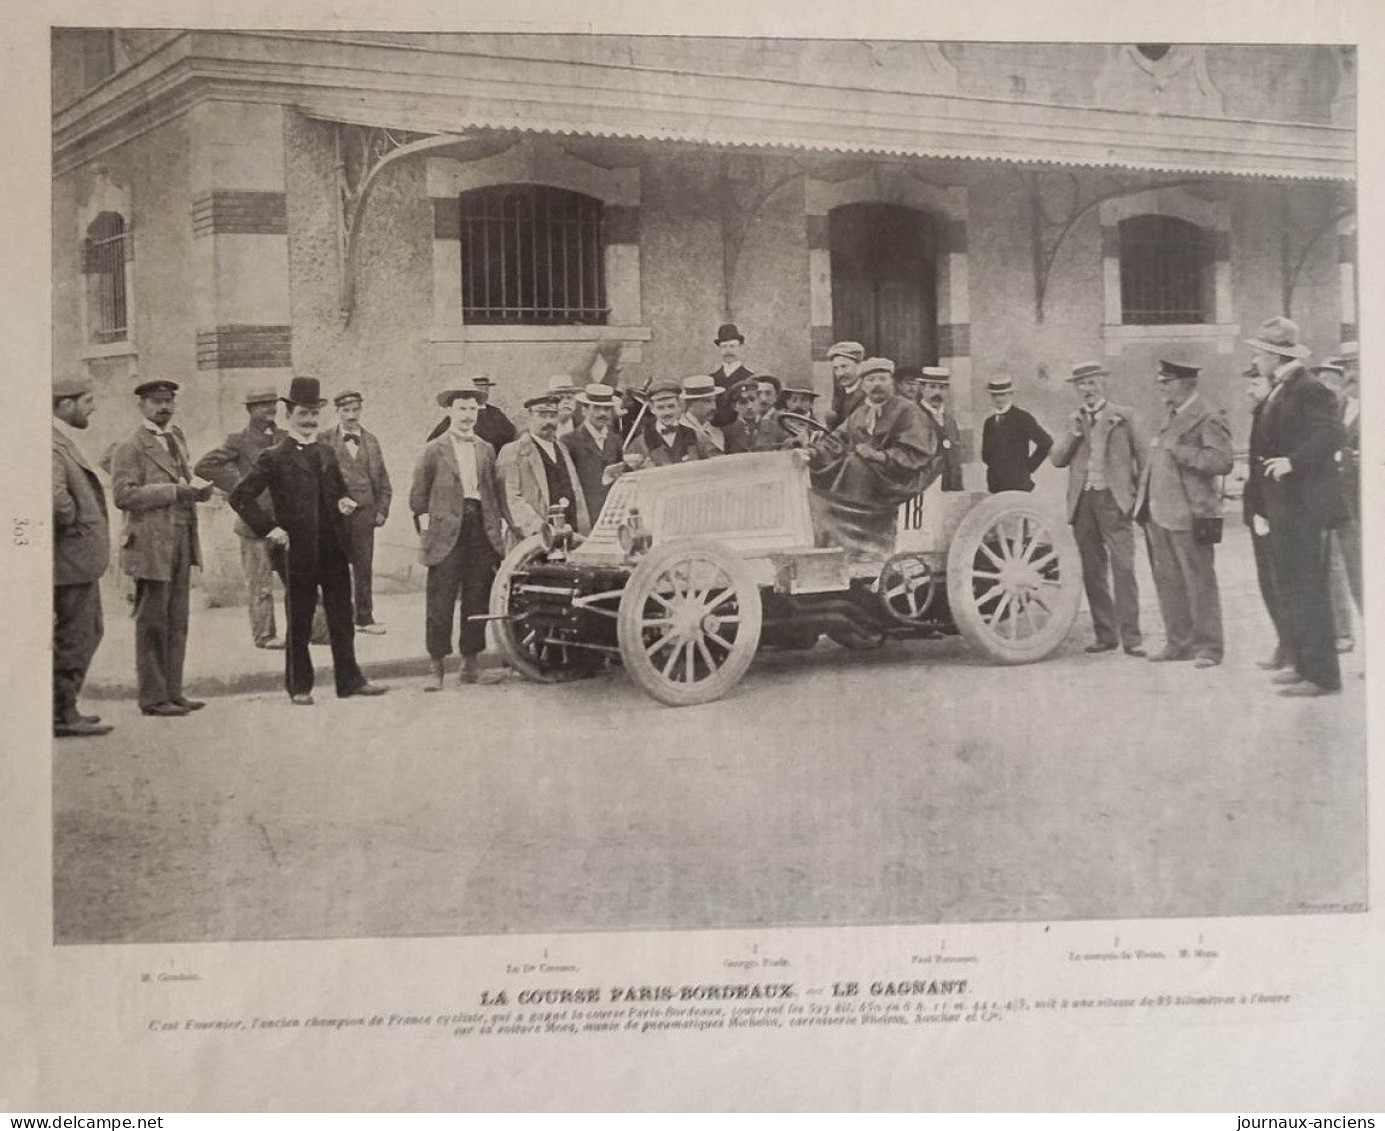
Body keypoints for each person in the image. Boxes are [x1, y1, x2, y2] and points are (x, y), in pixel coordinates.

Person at [228, 376, 388, 705]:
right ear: (289, 414)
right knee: (299, 619)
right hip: (297, 551)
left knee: (342, 617)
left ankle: (350, 680)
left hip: (332, 550)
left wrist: (343, 501)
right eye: (303, 414)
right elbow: (241, 497)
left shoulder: (327, 452)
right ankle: (299, 686)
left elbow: (337, 490)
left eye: (314, 414)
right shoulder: (274, 456)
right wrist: (269, 528)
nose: (310, 420)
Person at [1245, 317, 1347, 696]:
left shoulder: (1308, 389)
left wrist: (1293, 461)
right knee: (1292, 589)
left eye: (1259, 352)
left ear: (1275, 356)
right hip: (1283, 508)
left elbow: (1330, 433)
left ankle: (1322, 676)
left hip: (1303, 508)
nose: (1255, 359)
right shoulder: (1281, 390)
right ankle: (1302, 665)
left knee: (1309, 591)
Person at [110, 378, 212, 717]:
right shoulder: (130, 445)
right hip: (150, 544)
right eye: (156, 402)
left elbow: (184, 480)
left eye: (168, 401)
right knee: (152, 621)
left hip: (181, 538)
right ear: (142, 406)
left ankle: (173, 691)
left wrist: (199, 490)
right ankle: (153, 698)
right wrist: (172, 491)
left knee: (177, 618)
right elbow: (124, 496)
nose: (164, 407)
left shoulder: (176, 437)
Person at [1132, 359, 1234, 669]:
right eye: (1160, 381)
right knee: (1169, 582)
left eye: (1167, 381)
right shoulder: (1171, 415)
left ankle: (1209, 648)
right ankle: (1179, 643)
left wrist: (1183, 452)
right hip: (1160, 513)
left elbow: (1222, 461)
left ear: (1185, 384)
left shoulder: (1208, 416)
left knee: (1199, 581)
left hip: (1193, 515)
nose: (1161, 387)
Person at [411, 388, 507, 690]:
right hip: (446, 532)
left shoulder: (486, 449)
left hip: (479, 527)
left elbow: (492, 492)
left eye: (472, 409)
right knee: (440, 599)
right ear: (450, 411)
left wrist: (497, 527)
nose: (467, 415)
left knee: (477, 596)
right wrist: (429, 534)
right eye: (462, 409)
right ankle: (436, 667)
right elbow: (418, 498)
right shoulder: (432, 449)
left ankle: (470, 665)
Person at [1049, 362, 1146, 657]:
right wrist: (1072, 434)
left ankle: (1132, 638)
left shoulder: (1124, 416)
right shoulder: (1074, 419)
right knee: (1092, 571)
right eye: (1081, 385)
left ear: (1103, 383)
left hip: (1114, 501)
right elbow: (1056, 459)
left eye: (1091, 383)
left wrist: (1138, 501)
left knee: (1124, 568)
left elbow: (1144, 460)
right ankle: (1106, 635)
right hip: (1084, 503)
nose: (1086, 390)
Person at [807, 357, 936, 561]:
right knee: (821, 472)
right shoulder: (860, 413)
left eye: (882, 379)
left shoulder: (908, 410)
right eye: (870, 380)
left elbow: (917, 452)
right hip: (870, 475)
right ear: (863, 385)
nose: (876, 384)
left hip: (899, 478)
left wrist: (880, 456)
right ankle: (835, 537)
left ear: (891, 382)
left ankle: (863, 542)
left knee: (855, 465)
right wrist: (812, 452)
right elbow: (837, 440)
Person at [194, 387, 287, 650]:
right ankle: (265, 635)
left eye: (272, 404)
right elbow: (204, 466)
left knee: (299, 580)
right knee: (261, 584)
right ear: (250, 410)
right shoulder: (238, 441)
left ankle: (312, 630)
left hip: (285, 523)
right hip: (254, 524)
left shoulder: (285, 437)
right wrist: (241, 486)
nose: (269, 409)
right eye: (261, 405)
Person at [52, 375, 113, 737]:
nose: (93, 406)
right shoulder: (51, 444)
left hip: (75, 560)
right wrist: (72, 521)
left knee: (87, 631)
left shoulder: (62, 440)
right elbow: (55, 497)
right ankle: (61, 713)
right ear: (65, 405)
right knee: (78, 634)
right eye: (87, 400)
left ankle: (64, 707)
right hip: (69, 561)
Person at [321, 389, 392, 635]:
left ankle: (364, 618)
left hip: (364, 513)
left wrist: (381, 510)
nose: (351, 416)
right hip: (334, 516)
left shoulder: (371, 440)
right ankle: (338, 619)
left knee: (363, 566)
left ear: (361, 410)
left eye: (355, 410)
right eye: (346, 411)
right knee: (334, 566)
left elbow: (383, 479)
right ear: (337, 412)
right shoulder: (324, 439)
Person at [1241, 362, 1293, 672]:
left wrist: (1266, 512)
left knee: (1280, 584)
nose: (1249, 390)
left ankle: (1291, 649)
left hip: (1273, 515)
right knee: (1268, 584)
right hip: (1259, 513)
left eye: (1254, 383)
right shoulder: (1261, 413)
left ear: (1271, 384)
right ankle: (1284, 645)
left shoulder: (1277, 415)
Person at [497, 394, 591, 546]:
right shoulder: (514, 452)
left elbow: (576, 493)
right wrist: (541, 530)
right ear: (530, 417)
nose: (548, 421)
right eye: (542, 415)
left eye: (553, 415)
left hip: (569, 537)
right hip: (534, 542)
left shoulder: (562, 448)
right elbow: (511, 499)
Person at [562, 383, 626, 520]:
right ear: (584, 410)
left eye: (607, 409)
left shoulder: (615, 440)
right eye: (596, 408)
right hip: (585, 516)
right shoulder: (568, 442)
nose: (602, 413)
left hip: (614, 513)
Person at [981, 377, 1053, 493]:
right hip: (995, 484)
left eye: (1003, 395)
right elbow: (985, 455)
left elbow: (1046, 443)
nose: (999, 399)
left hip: (1018, 483)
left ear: (1010, 394)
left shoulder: (1022, 418)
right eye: (995, 395)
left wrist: (1028, 467)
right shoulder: (989, 423)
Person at [625, 379, 717, 466]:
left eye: (671, 406)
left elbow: (716, 464)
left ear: (680, 406)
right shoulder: (640, 443)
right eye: (660, 408)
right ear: (652, 409)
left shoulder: (696, 436)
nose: (667, 412)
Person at [425, 374, 518, 451]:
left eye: (485, 388)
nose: (483, 390)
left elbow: (510, 432)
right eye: (479, 387)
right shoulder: (457, 416)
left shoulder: (495, 412)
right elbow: (435, 439)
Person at [915, 367, 964, 491]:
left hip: (949, 487)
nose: (937, 392)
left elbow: (955, 457)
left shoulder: (950, 421)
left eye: (942, 388)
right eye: (932, 387)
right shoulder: (914, 416)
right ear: (922, 388)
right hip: (924, 488)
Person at [709, 322, 754, 427]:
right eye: (724, 347)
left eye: (732, 346)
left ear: (740, 347)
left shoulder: (750, 377)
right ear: (719, 349)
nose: (728, 351)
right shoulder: (711, 379)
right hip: (717, 431)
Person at [678, 374, 727, 453]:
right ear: (690, 403)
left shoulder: (716, 431)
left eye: (714, 400)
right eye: (707, 401)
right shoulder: (679, 430)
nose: (714, 407)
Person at [825, 341, 866, 429]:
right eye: (835, 368)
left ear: (859, 366)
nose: (840, 373)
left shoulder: (868, 392)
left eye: (844, 366)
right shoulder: (840, 391)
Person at [722, 377, 763, 454]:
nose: (749, 406)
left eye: (753, 400)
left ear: (760, 400)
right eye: (743, 402)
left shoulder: (775, 427)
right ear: (734, 406)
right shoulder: (726, 432)